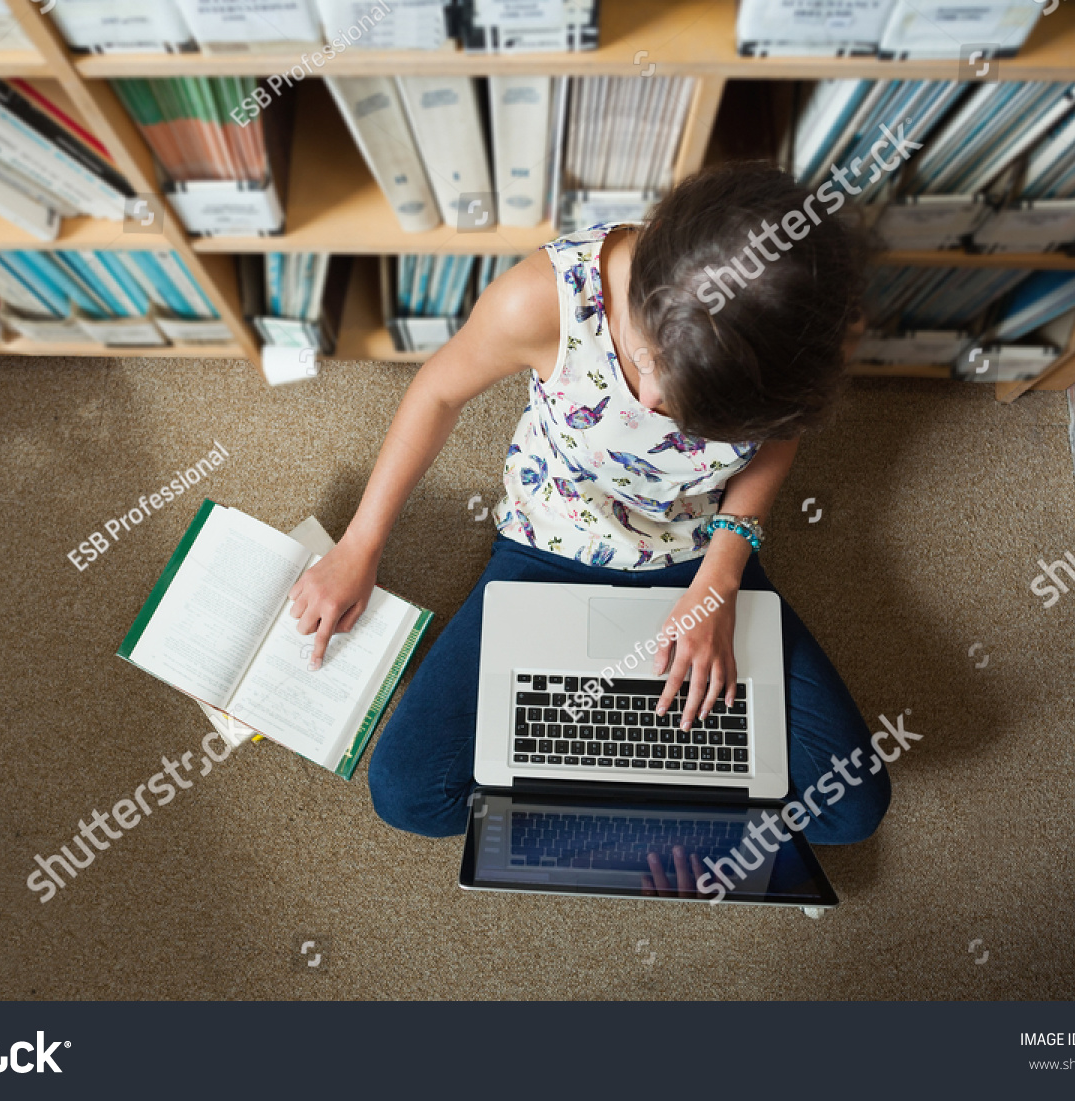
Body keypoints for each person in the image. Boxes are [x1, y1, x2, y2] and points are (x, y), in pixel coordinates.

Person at [286, 162, 890, 856]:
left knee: (852, 808)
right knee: (408, 792)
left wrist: (719, 582)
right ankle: (649, 789)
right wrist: (360, 546)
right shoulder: (543, 299)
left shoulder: (804, 338)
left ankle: (632, 778)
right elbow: (438, 393)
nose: (658, 405)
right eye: (653, 361)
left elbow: (777, 441)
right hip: (551, 541)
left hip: (703, 552)